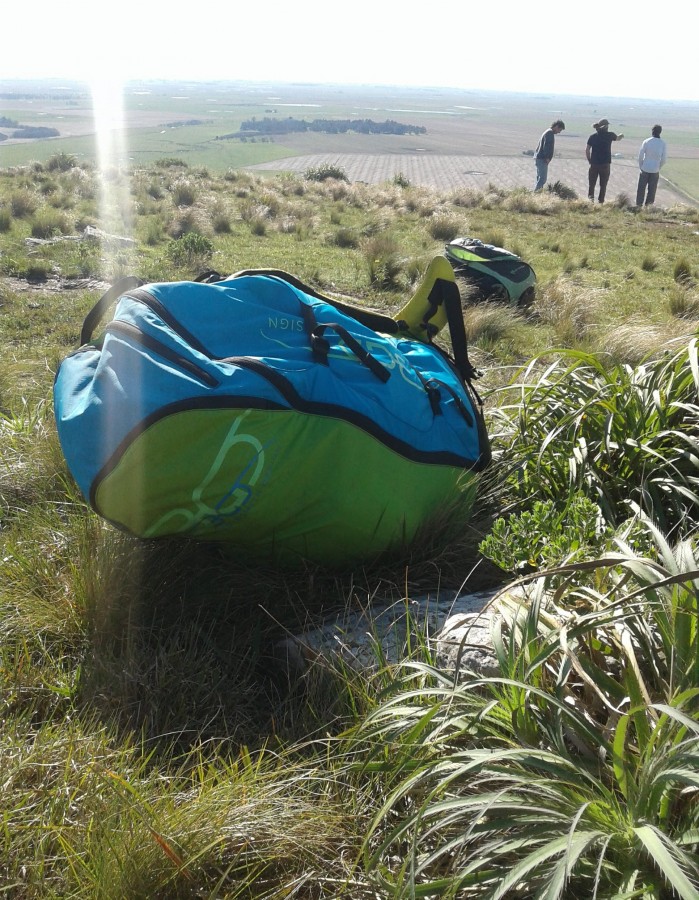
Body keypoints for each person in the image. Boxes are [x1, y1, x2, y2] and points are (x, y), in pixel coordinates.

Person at [585, 119, 624, 203]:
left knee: (591, 185)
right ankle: (601, 202)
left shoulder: (593, 136)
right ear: (606, 126)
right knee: (603, 185)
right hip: (605, 165)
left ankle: (590, 201)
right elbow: (618, 138)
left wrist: (589, 160)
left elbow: (587, 150)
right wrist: (622, 135)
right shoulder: (610, 135)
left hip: (594, 164)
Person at [636, 124, 667, 207]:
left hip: (645, 168)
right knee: (652, 190)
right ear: (660, 132)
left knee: (641, 189)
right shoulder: (663, 143)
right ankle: (648, 207)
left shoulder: (646, 141)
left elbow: (640, 156)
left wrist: (641, 166)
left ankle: (639, 205)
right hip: (655, 170)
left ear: (652, 131)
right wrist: (658, 167)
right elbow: (664, 160)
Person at [534, 120, 565, 192]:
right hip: (542, 159)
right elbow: (547, 146)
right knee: (542, 179)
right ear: (556, 126)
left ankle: (536, 193)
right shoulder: (550, 133)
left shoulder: (548, 132)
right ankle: (536, 194)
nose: (559, 132)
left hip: (539, 158)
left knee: (539, 178)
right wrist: (547, 157)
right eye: (559, 129)